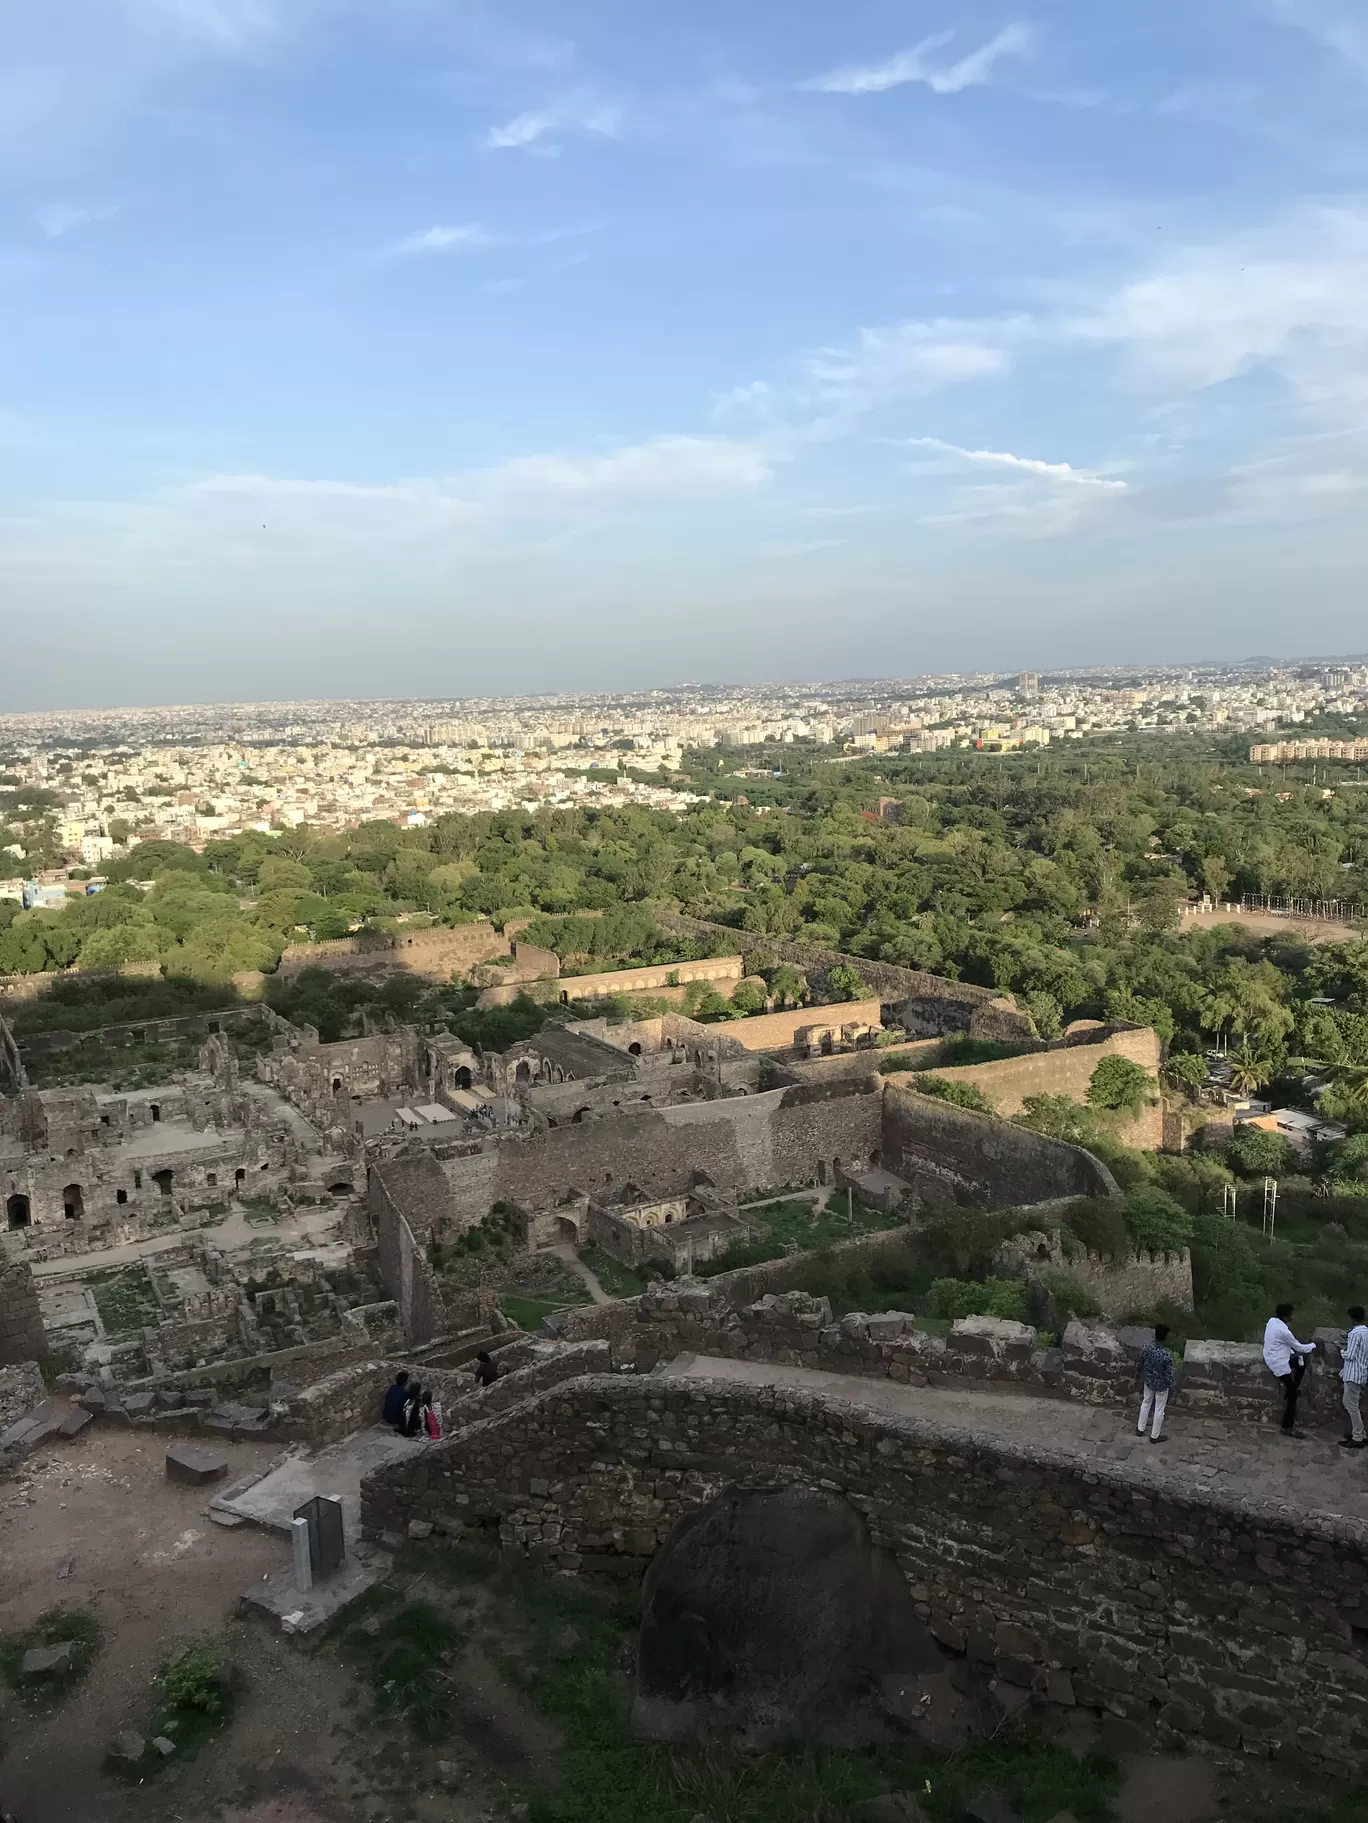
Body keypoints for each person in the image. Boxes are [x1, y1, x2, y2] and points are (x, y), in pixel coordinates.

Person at [1263, 1303, 1316, 1437]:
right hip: (1278, 1363)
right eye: (1291, 1314)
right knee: (1293, 1395)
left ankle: (1293, 1387)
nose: (1293, 1316)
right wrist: (1314, 1344)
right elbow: (1300, 1348)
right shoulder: (1284, 1332)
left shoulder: (1272, 1321)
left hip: (1273, 1355)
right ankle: (1287, 1427)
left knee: (1300, 1364)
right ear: (1286, 1316)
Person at [1135, 1323, 1176, 1443]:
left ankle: (1140, 1428)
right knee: (1159, 1409)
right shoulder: (1166, 1356)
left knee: (1146, 1403)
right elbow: (1168, 1375)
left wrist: (1139, 1375)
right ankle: (1154, 1436)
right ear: (1165, 1337)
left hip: (1148, 1381)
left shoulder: (1146, 1348)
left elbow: (1140, 1364)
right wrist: (1171, 1386)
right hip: (1161, 1385)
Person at [1340, 1305, 1368, 1448]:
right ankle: (1362, 1434)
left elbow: (1349, 1355)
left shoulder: (1354, 1333)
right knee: (1352, 1404)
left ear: (1352, 1318)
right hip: (1362, 1373)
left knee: (1351, 1406)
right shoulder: (1366, 1332)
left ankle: (1358, 1437)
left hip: (1352, 1374)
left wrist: (1341, 1351)